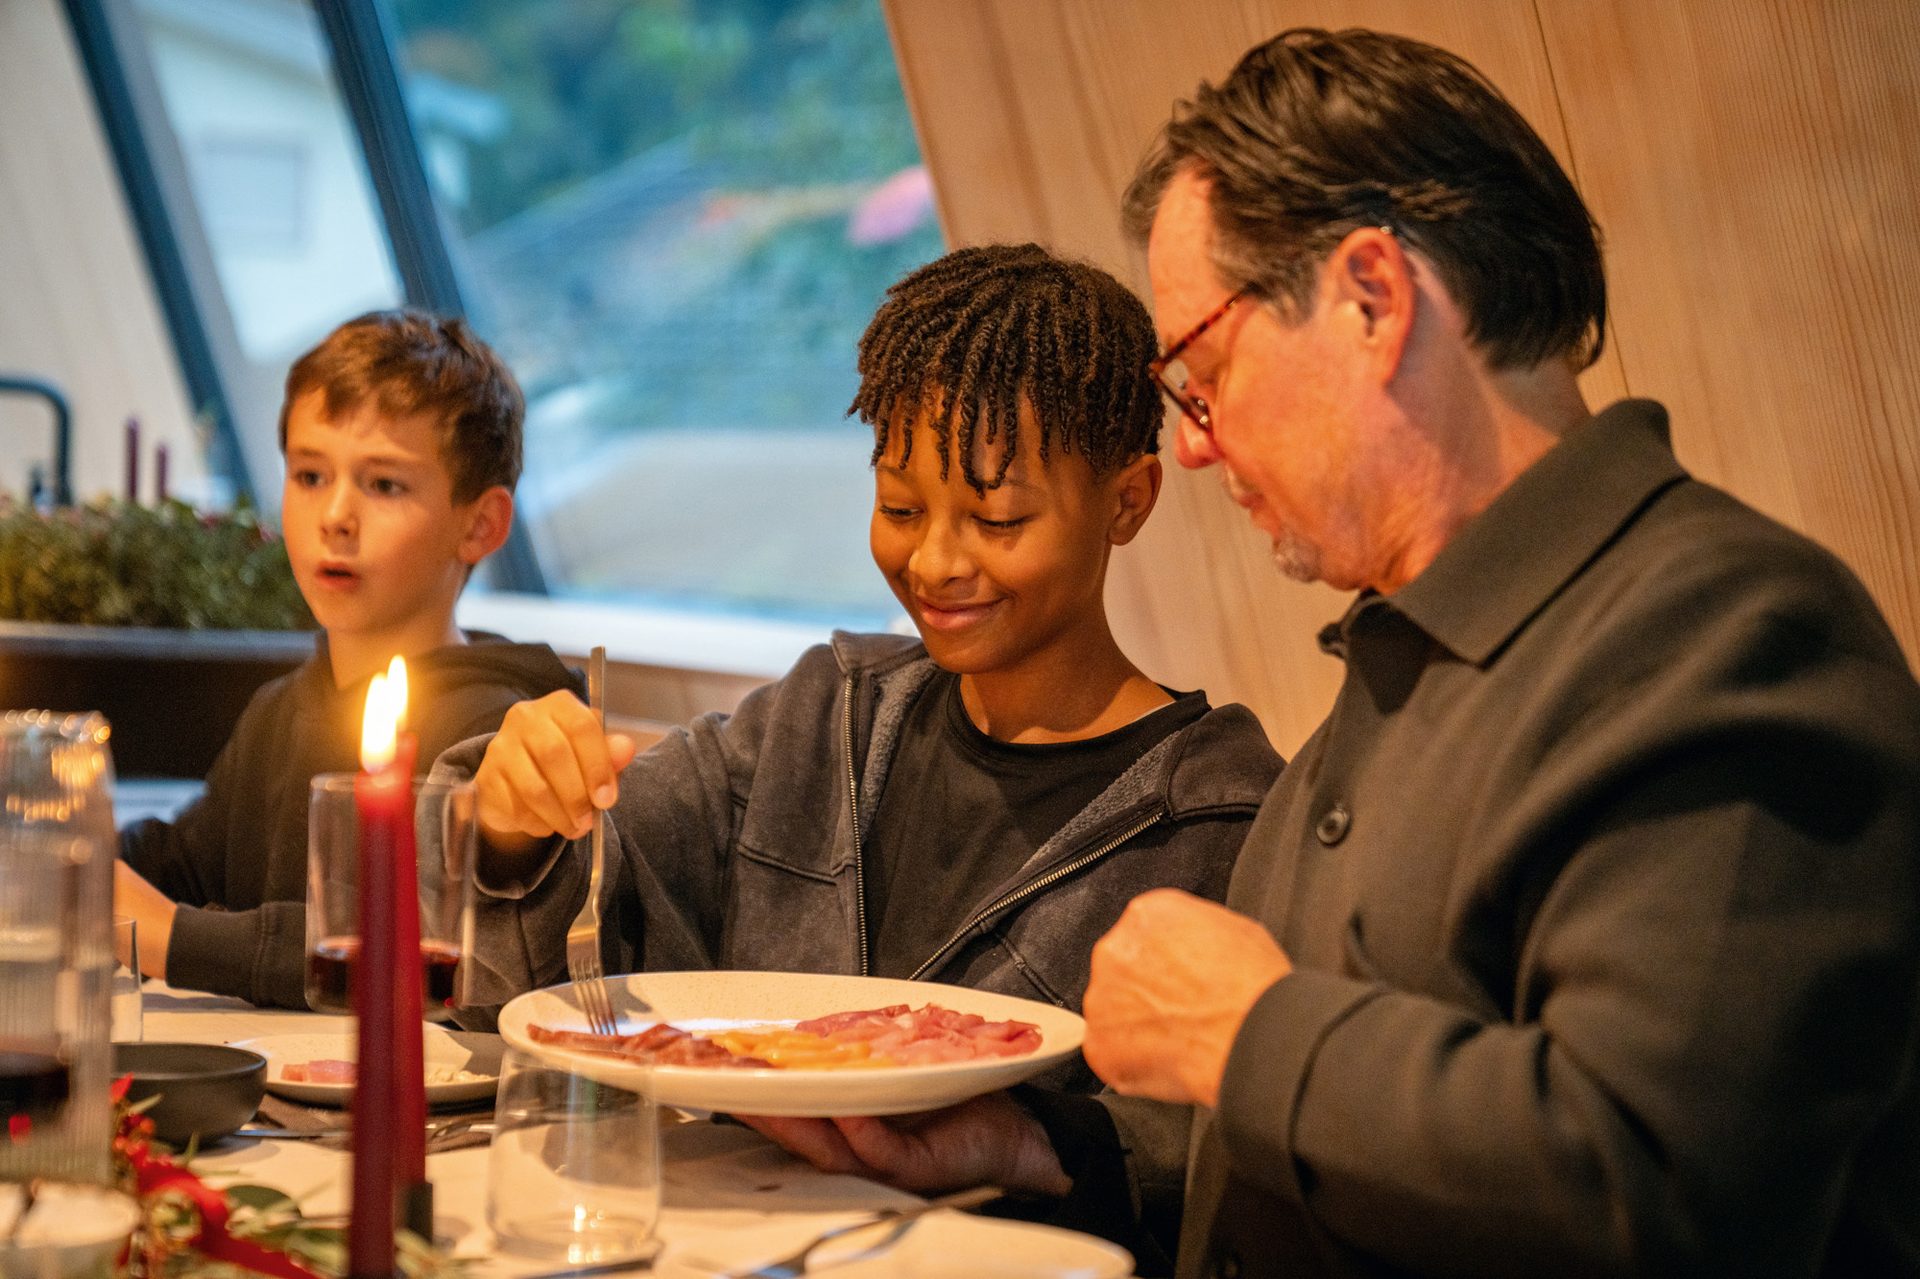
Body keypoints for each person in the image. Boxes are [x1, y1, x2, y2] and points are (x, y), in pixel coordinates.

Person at [743, 27, 1920, 1278]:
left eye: (1204, 371)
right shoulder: (1392, 685)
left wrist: (1251, 1033)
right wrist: (1034, 1146)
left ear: (1373, 298)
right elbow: (1296, 1150)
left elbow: (1668, 1184)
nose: (1192, 445)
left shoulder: (1725, 636)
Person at [440, 244, 1282, 1075]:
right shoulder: (819, 720)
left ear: (1127, 499)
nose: (935, 561)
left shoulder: (1213, 817)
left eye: (997, 521)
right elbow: (520, 981)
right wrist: (512, 826)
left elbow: (1184, 1156)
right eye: (901, 506)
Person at [116, 310, 580, 1010]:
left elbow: (418, 949)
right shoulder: (282, 707)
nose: (335, 515)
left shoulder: (495, 736)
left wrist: (164, 936)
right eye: (309, 474)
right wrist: (63, 846)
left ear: (480, 524)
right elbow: (176, 862)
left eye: (384, 485)